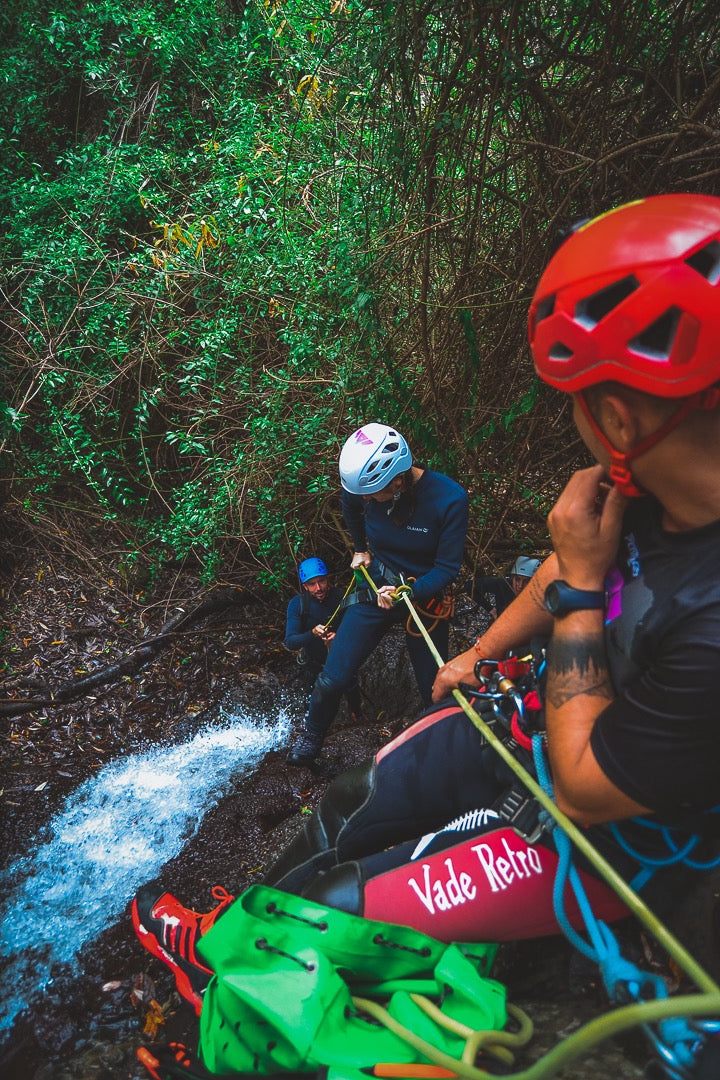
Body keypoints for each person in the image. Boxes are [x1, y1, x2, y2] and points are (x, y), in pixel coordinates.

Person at [132, 194, 720, 1018]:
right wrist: (480, 656)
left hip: (604, 829)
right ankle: (222, 931)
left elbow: (587, 787)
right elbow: (565, 559)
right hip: (533, 726)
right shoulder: (645, 492)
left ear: (617, 417)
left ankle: (230, 988)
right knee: (349, 798)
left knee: (340, 906)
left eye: (578, 401)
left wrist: (580, 593)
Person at [286, 422, 469, 765]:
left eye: (373, 495)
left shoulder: (449, 499)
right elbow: (350, 504)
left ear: (398, 480)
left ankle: (446, 757)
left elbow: (447, 568)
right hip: (375, 584)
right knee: (333, 676)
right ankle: (311, 740)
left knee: (435, 688)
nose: (366, 500)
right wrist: (359, 548)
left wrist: (407, 592)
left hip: (423, 596)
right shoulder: (364, 487)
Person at [284, 556, 363, 717]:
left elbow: (359, 630)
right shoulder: (298, 605)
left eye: (322, 581)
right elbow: (291, 641)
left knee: (352, 690)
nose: (318, 588)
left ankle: (357, 715)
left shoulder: (342, 598)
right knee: (313, 703)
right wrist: (312, 634)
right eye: (312, 584)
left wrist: (339, 637)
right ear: (305, 586)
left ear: (328, 579)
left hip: (341, 658)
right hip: (314, 663)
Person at [467, 554, 541, 622]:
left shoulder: (539, 596)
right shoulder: (503, 584)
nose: (520, 585)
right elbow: (470, 586)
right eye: (517, 579)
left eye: (526, 581)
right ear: (513, 577)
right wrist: (491, 609)